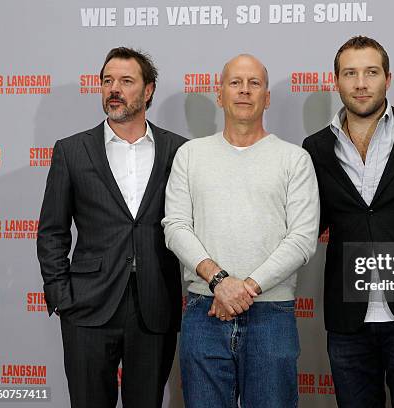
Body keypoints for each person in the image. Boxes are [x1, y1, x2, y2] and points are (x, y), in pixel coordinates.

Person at [162, 54, 319, 407]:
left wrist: (244, 289)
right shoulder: (190, 155)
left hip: (271, 315)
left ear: (267, 96)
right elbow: (175, 227)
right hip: (205, 312)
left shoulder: (294, 159)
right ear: (220, 95)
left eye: (254, 83)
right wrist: (220, 282)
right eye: (235, 83)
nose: (244, 91)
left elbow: (302, 239)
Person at [36, 47, 186, 408]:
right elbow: (52, 231)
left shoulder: (179, 151)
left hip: (154, 304)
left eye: (126, 81)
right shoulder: (72, 151)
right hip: (87, 305)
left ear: (148, 90)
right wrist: (61, 295)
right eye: (107, 81)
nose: (113, 88)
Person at [302, 36, 394, 408]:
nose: (360, 83)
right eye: (350, 73)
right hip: (348, 317)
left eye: (370, 72)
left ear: (388, 79)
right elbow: (308, 224)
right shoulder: (315, 147)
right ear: (336, 81)